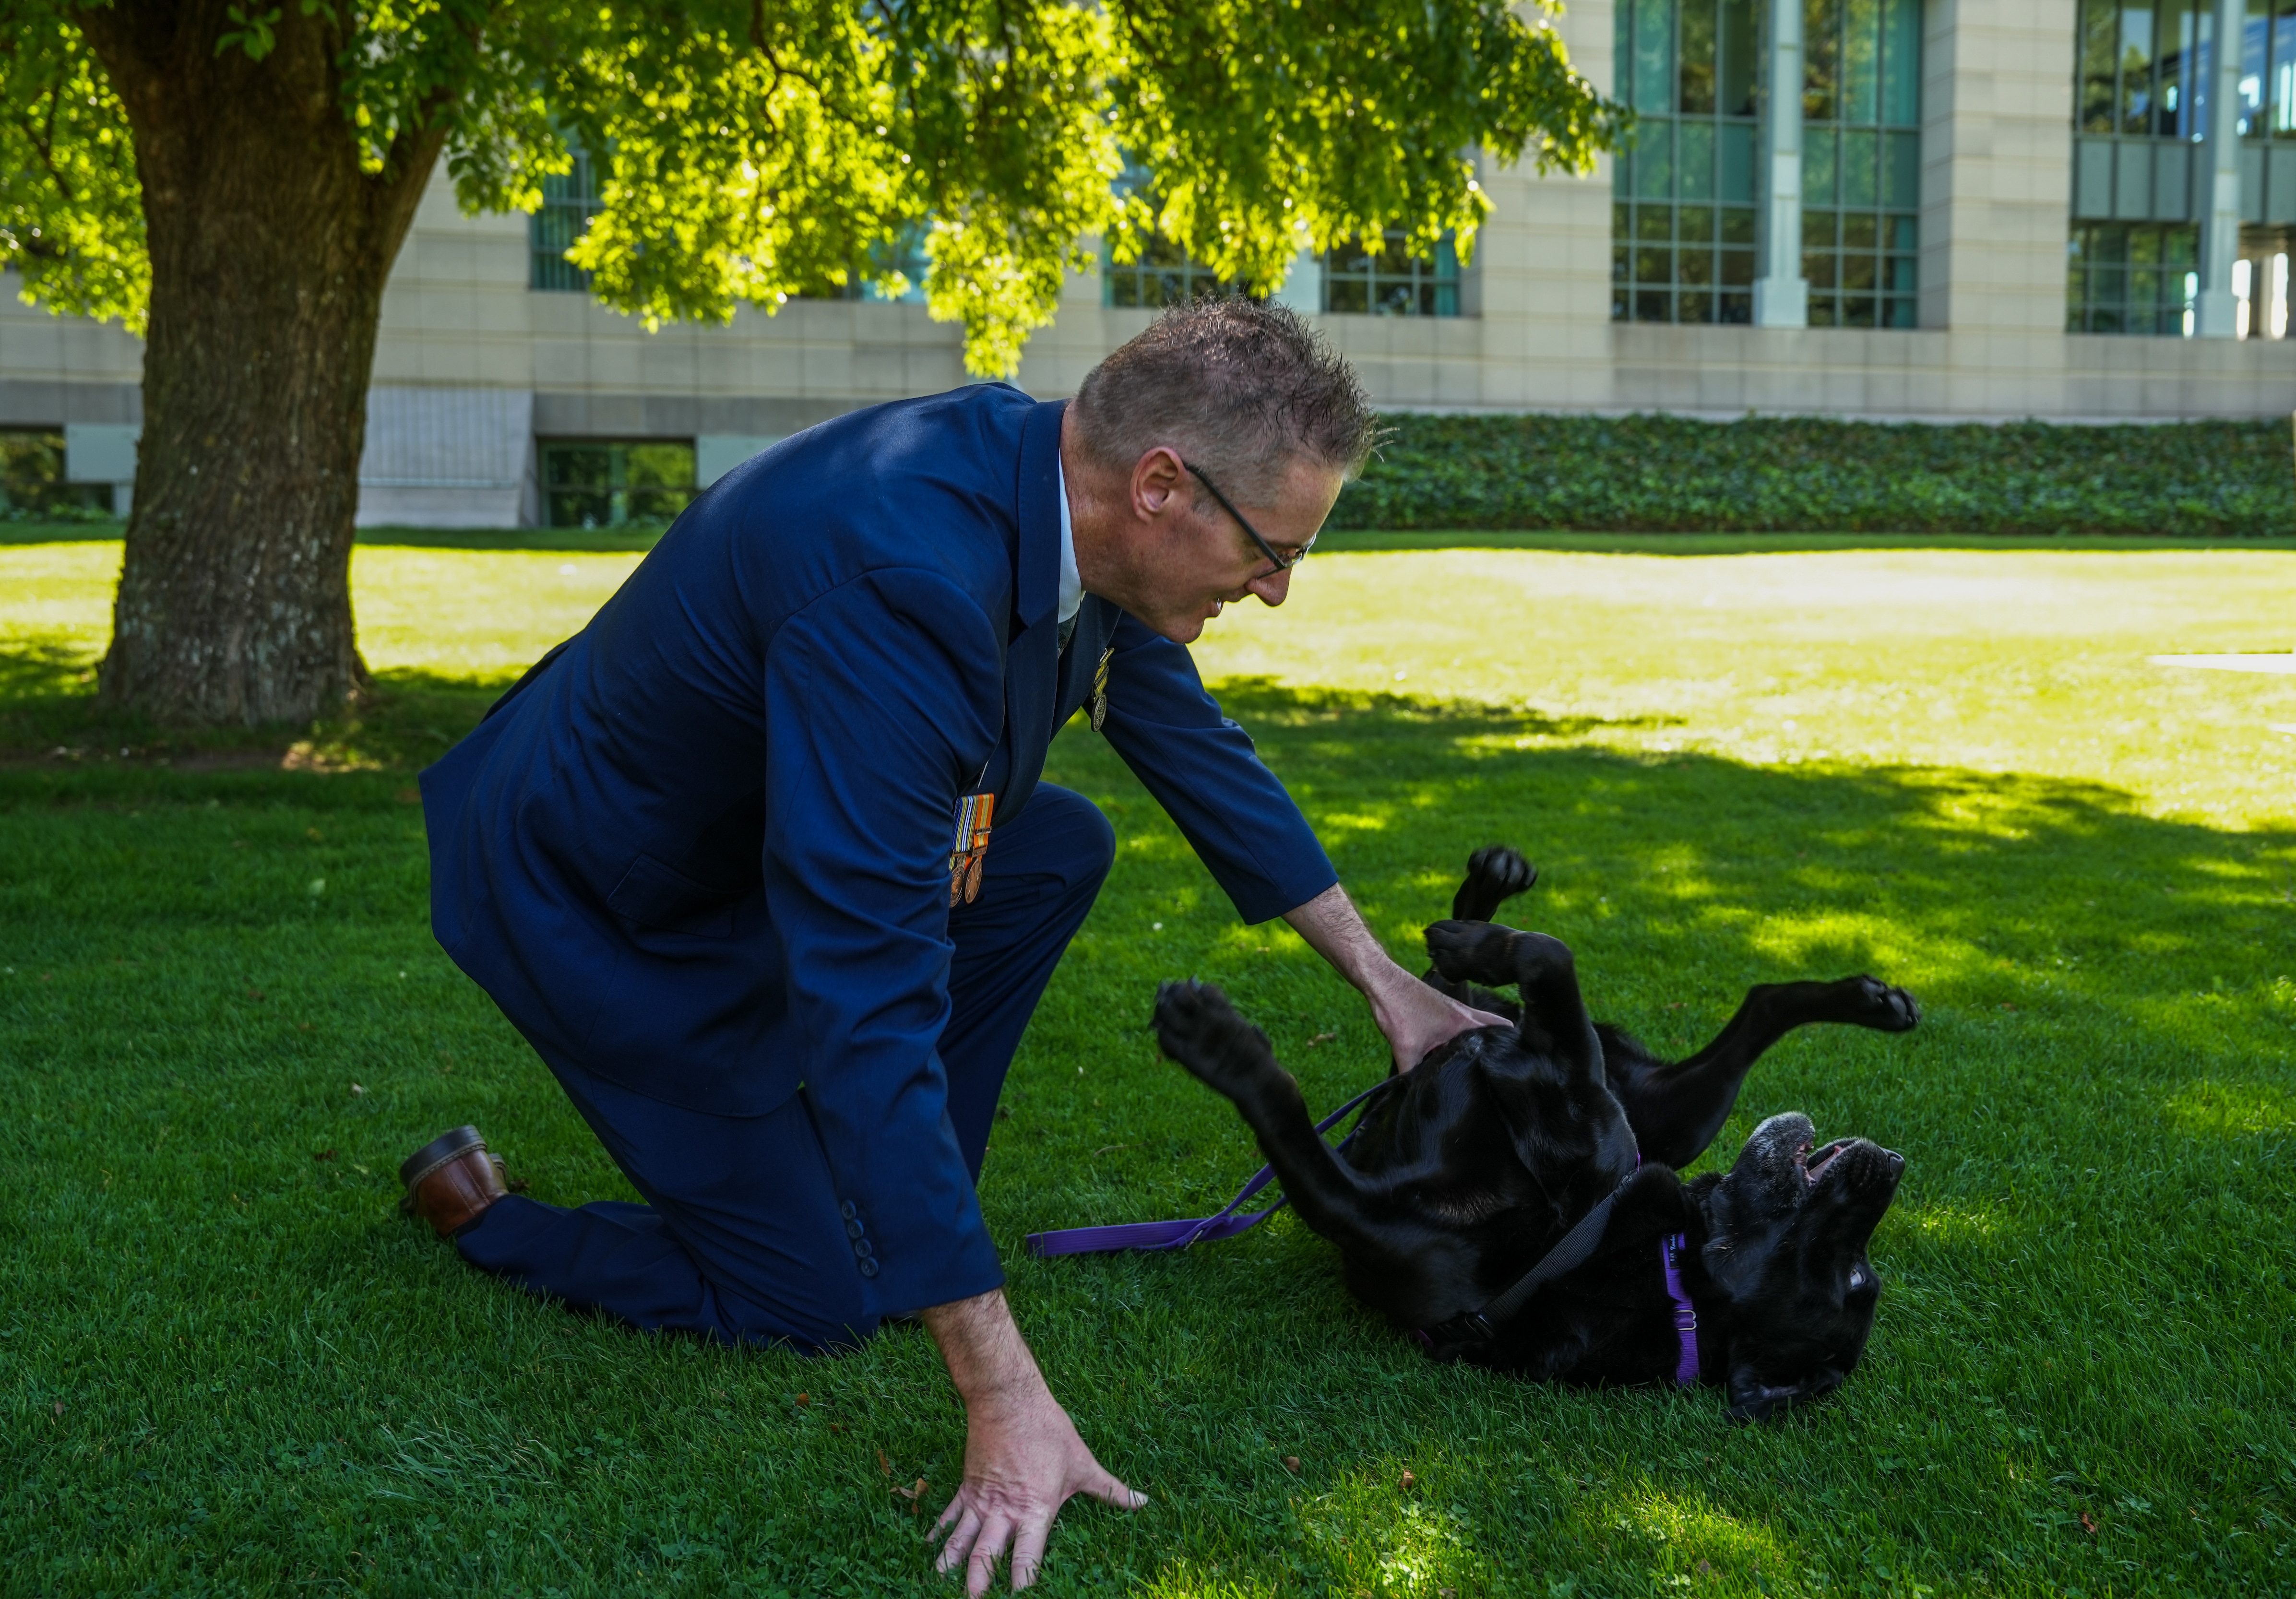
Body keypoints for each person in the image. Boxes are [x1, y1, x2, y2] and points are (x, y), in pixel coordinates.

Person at [405, 298, 1503, 1595]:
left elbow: (1197, 753)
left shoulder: (1069, 497)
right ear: (1161, 486)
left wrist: (1389, 987)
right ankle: (490, 1217)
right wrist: (1002, 1388)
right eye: (1273, 552)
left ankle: (899, 1213)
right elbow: (864, 994)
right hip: (603, 900)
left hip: (753, 847)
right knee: (814, 1302)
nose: (1275, 589)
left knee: (1055, 850)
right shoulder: (906, 581)